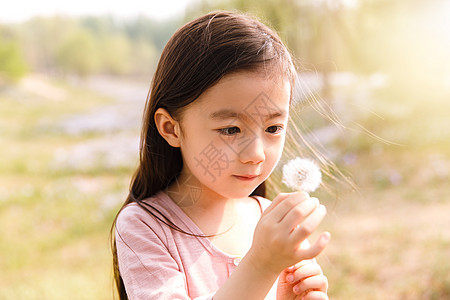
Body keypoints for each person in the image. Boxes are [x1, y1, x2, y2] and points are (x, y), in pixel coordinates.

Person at [111, 11, 330, 300]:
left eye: (273, 127)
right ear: (171, 128)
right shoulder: (145, 226)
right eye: (230, 129)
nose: (255, 153)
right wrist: (262, 265)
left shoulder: (272, 221)